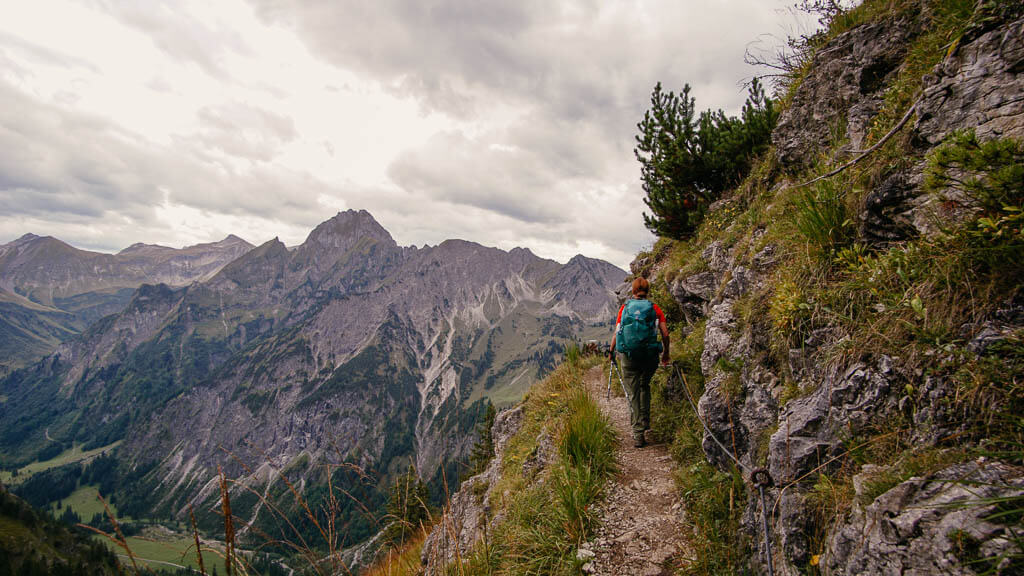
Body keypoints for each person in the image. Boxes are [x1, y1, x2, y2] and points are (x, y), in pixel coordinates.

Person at [609, 277, 670, 448]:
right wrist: (666, 353)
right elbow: (665, 334)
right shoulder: (654, 309)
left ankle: (638, 434)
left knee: (633, 393)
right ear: (647, 291)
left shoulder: (625, 308)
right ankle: (645, 422)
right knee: (645, 385)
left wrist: (611, 351)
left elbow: (617, 332)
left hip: (628, 356)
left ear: (633, 291)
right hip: (649, 355)